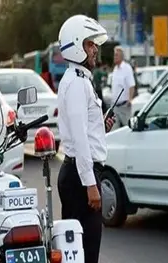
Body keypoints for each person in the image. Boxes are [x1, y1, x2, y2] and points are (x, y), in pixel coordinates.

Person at [56, 14, 115, 263]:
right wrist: (91, 184)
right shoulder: (78, 83)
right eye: (90, 44)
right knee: (86, 254)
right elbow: (79, 138)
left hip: (75, 174)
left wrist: (100, 127)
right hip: (81, 179)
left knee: (76, 254)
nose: (95, 50)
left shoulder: (76, 79)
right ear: (77, 45)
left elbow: (81, 129)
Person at [110, 46, 136, 130]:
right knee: (113, 131)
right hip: (115, 107)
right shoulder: (115, 69)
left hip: (124, 106)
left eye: (116, 55)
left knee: (128, 128)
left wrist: (130, 99)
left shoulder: (127, 68)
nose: (114, 57)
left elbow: (131, 85)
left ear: (121, 56)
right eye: (114, 55)